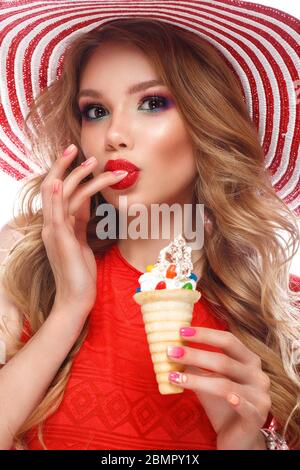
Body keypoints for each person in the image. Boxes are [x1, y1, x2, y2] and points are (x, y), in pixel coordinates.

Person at [0, 15, 299, 451]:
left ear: (207, 122)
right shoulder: (23, 275)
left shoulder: (286, 317)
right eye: (95, 111)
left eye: (153, 103)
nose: (114, 135)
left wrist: (246, 445)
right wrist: (69, 307)